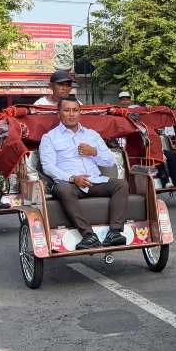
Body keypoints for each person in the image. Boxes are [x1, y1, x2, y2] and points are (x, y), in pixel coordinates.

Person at [39, 97, 129, 250]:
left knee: (121, 185)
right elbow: (48, 166)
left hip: (94, 181)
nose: (71, 114)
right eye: (67, 110)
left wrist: (94, 152)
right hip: (69, 183)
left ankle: (115, 232)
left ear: (80, 113)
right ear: (59, 113)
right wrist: (73, 178)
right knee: (63, 189)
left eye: (75, 110)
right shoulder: (49, 138)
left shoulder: (92, 135)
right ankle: (88, 235)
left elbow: (109, 161)